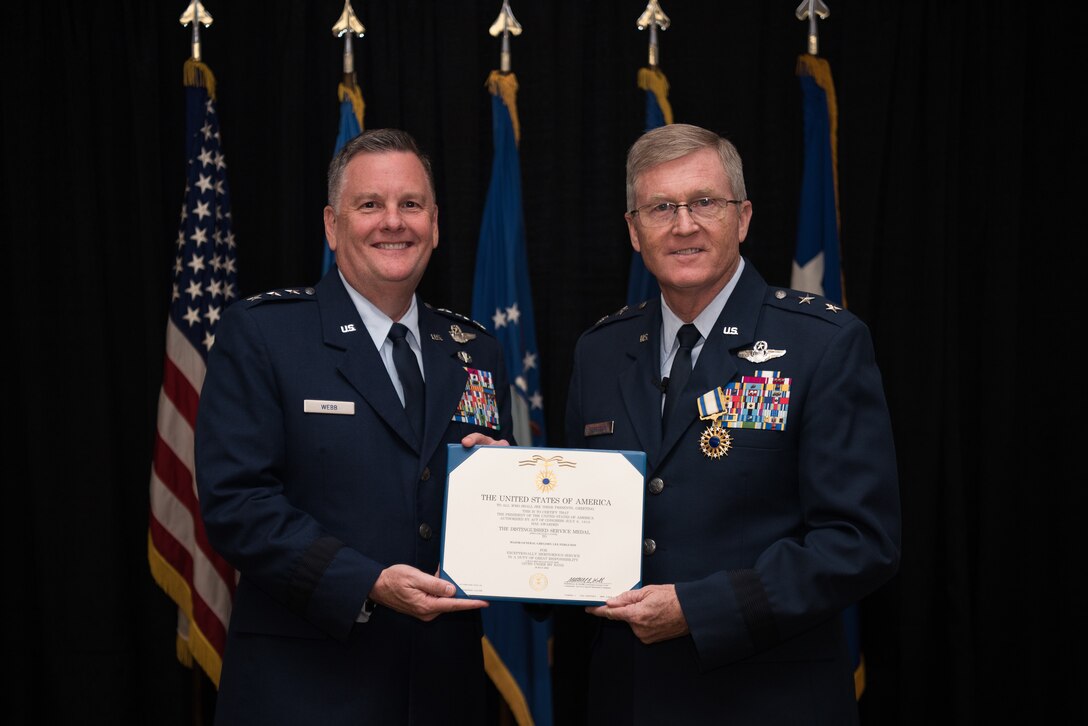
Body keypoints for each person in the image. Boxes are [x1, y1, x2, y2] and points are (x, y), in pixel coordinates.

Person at [564, 123, 901, 724]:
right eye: (661, 207)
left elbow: (860, 542)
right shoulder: (600, 351)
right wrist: (496, 484)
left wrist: (700, 609)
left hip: (767, 697)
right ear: (634, 230)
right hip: (629, 697)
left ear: (742, 218)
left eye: (705, 203)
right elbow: (576, 516)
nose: (684, 224)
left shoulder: (821, 344)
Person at [195, 128, 514, 725]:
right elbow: (237, 504)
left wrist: (509, 488)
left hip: (444, 694)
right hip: (306, 691)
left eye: (411, 205)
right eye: (370, 205)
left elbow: (493, 509)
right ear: (332, 225)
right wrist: (366, 581)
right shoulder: (265, 336)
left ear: (435, 223)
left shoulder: (476, 350)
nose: (393, 222)